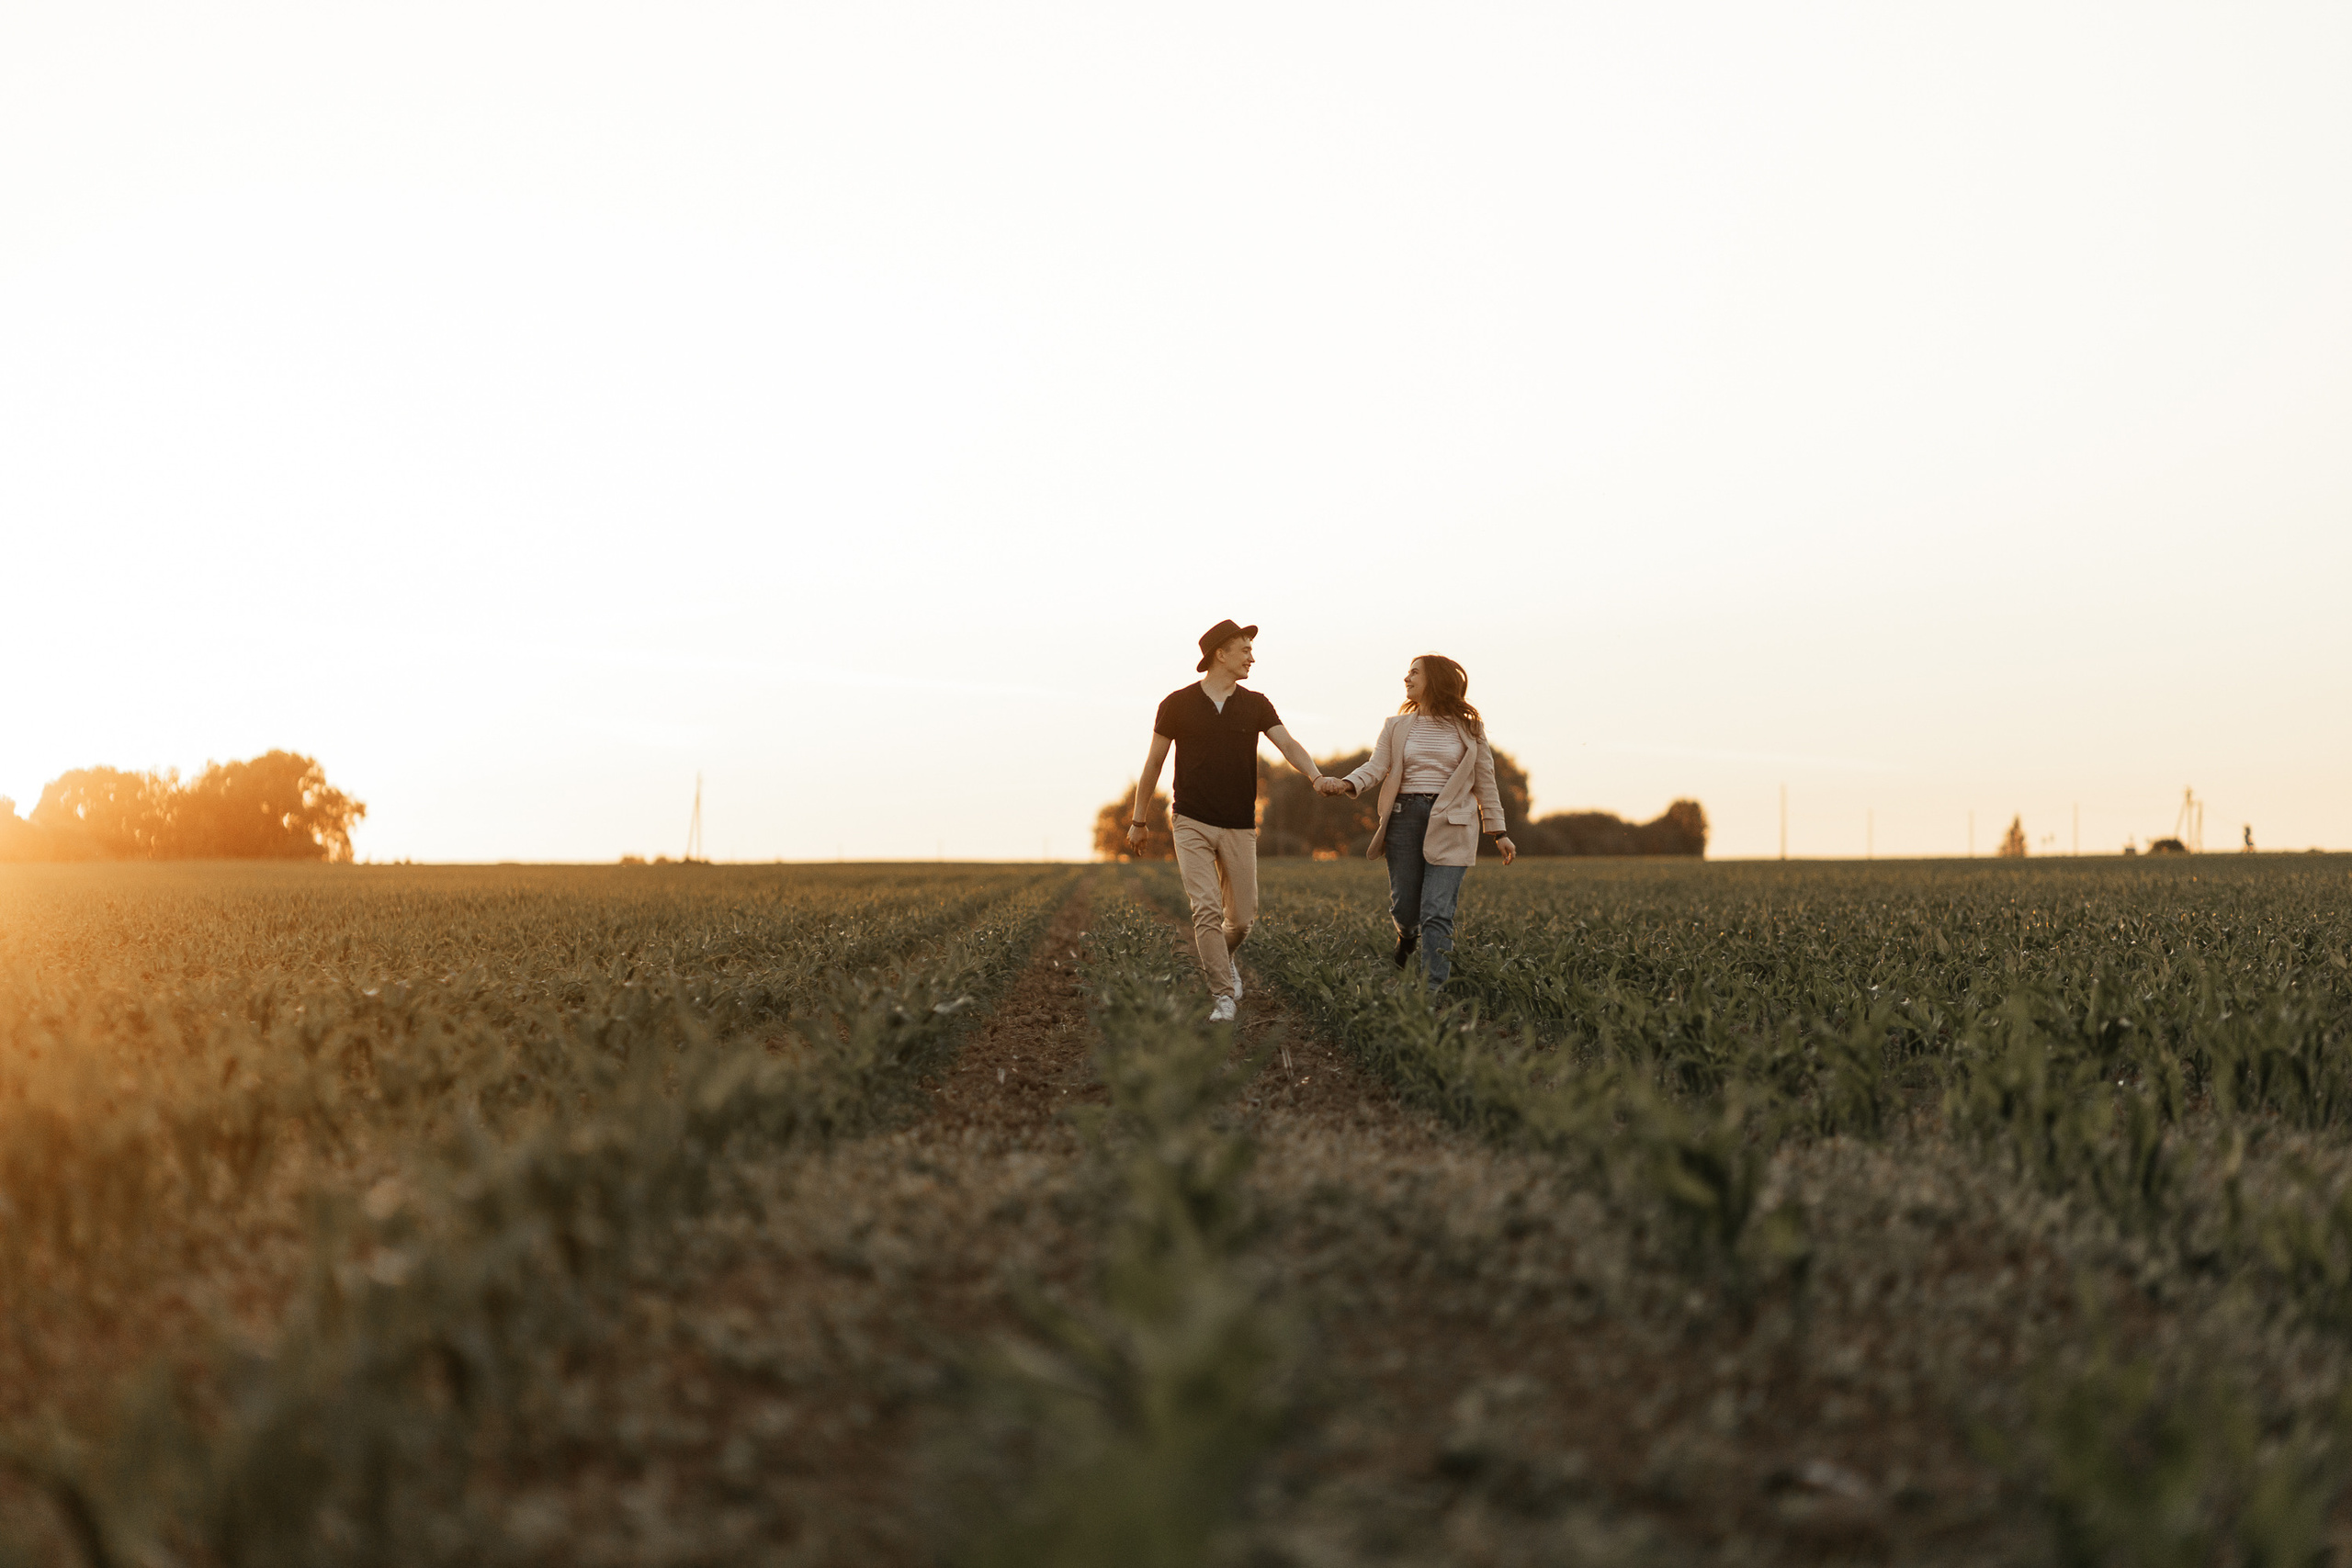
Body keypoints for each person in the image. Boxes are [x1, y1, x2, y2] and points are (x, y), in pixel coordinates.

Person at [1129, 620, 1334, 1022]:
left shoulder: (1256, 704)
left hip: (1240, 823)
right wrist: (1139, 820)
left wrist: (1315, 776)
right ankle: (1222, 995)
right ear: (1220, 654)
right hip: (1191, 820)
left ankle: (1223, 960)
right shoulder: (1177, 704)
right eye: (1245, 650)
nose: (1252, 658)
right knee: (1206, 909)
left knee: (1241, 919)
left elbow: (1288, 743)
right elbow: (1154, 763)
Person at [1315, 653, 1516, 987]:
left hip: (1452, 823)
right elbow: (1376, 767)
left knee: (1437, 911)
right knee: (1406, 908)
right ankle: (1407, 935)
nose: (1406, 678)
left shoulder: (1471, 729)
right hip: (1404, 817)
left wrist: (1499, 832)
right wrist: (1347, 783)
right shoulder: (1395, 726)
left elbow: (1485, 781)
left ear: (1435, 679)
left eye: (1414, 673)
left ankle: (1432, 990)